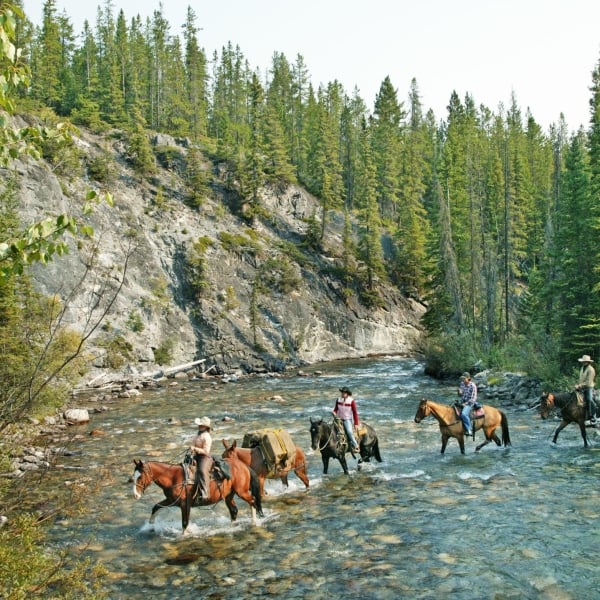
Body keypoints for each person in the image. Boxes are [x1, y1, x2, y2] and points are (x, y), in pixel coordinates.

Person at [188, 416, 212, 499]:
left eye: (201, 425)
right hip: (196, 455)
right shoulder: (198, 434)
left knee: (202, 471)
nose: (199, 426)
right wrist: (193, 450)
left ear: (206, 427)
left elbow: (206, 451)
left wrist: (195, 449)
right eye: (199, 425)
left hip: (204, 457)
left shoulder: (207, 437)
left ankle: (205, 492)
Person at [332, 386, 360, 452]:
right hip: (338, 419)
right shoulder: (338, 399)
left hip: (347, 419)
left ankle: (356, 445)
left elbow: (355, 412)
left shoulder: (351, 401)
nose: (342, 394)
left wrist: (356, 423)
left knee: (349, 432)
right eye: (342, 393)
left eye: (344, 393)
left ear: (347, 394)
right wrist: (334, 412)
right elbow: (336, 409)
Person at [575, 354, 597, 424]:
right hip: (582, 386)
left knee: (589, 399)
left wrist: (579, 385)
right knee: (574, 397)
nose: (583, 362)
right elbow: (581, 378)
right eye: (583, 361)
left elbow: (588, 382)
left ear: (588, 362)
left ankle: (593, 416)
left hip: (588, 387)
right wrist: (578, 385)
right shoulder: (582, 368)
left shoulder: (591, 370)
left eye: (584, 361)